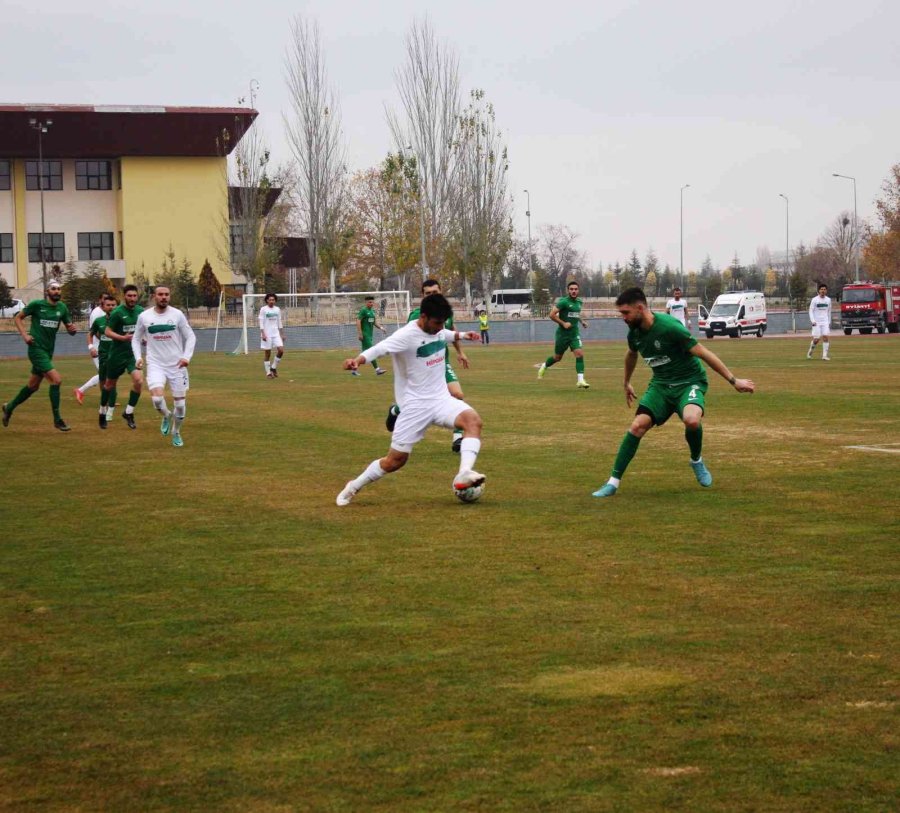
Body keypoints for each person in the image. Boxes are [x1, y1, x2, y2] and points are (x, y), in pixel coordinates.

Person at [593, 287, 755, 498]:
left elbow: (703, 352)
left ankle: (696, 460)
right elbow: (631, 355)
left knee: (692, 420)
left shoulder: (669, 327)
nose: (623, 318)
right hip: (661, 385)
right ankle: (612, 483)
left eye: (625, 313)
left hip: (689, 382)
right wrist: (626, 383)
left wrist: (734, 380)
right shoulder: (634, 333)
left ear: (640, 308)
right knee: (636, 426)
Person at [337, 293, 485, 506]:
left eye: (442, 323)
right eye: (436, 323)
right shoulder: (405, 335)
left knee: (473, 421)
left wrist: (463, 335)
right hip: (415, 406)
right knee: (395, 461)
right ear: (423, 317)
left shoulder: (437, 329)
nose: (439, 327)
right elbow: (380, 348)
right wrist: (357, 360)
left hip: (441, 399)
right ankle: (353, 486)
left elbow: (444, 334)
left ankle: (464, 473)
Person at [385, 278, 470, 453]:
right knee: (418, 401)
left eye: (435, 292)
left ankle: (458, 439)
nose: (432, 295)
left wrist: (460, 352)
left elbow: (451, 330)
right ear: (422, 296)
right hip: (421, 366)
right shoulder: (417, 316)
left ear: (441, 291)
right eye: (428, 293)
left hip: (441, 362)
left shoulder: (445, 311)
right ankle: (396, 410)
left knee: (457, 394)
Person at [1, 279, 77, 431]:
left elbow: (70, 328)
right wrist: (25, 336)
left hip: (48, 351)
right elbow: (17, 317)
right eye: (54, 289)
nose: (57, 291)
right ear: (47, 291)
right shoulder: (37, 305)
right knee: (56, 380)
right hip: (36, 349)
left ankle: (9, 407)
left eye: (59, 289)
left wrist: (72, 329)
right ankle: (57, 419)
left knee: (33, 386)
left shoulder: (62, 308)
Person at [131, 285, 197, 448]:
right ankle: (167, 415)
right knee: (157, 399)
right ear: (154, 296)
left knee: (180, 406)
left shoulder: (177, 315)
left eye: (167, 294)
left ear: (170, 296)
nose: (164, 297)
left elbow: (190, 337)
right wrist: (138, 357)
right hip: (155, 364)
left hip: (177, 365)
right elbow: (135, 338)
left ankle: (176, 431)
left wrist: (186, 357)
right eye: (160, 294)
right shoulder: (144, 316)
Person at [103, 284, 144, 429]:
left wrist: (143, 339)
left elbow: (142, 331)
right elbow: (107, 332)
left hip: (133, 354)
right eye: (129, 296)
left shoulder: (141, 311)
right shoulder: (118, 312)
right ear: (124, 296)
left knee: (139, 381)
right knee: (109, 385)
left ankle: (129, 412)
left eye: (134, 296)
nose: (132, 298)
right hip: (117, 354)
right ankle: (103, 412)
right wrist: (122, 338)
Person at [537, 280, 590, 388]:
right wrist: (563, 323)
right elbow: (551, 315)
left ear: (578, 290)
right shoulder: (563, 302)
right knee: (557, 358)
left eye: (575, 289)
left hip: (574, 334)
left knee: (579, 354)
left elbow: (575, 314)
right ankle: (544, 365)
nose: (574, 291)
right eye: (571, 289)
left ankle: (580, 380)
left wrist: (582, 321)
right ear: (568, 290)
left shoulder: (579, 302)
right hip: (562, 335)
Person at [87, 294, 117, 428]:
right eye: (108, 305)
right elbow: (92, 333)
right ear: (103, 307)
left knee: (113, 381)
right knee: (103, 381)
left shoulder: (120, 320)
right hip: (103, 354)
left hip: (117, 354)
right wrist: (91, 347)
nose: (111, 307)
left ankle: (110, 410)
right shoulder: (99, 320)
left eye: (113, 305)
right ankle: (104, 408)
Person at [73, 299, 107, 405]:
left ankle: (108, 399)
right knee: (104, 374)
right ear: (101, 300)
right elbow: (94, 331)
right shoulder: (97, 312)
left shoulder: (105, 312)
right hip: (98, 347)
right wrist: (93, 346)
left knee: (106, 373)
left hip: (104, 347)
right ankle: (80, 390)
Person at [352, 295, 387, 376]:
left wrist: (382, 328)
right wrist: (360, 333)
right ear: (366, 302)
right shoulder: (363, 310)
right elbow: (358, 321)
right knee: (372, 351)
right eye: (369, 302)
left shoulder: (372, 311)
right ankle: (377, 370)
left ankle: (354, 369)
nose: (371, 303)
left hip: (370, 335)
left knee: (364, 354)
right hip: (365, 335)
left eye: (372, 302)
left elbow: (374, 322)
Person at [259, 293, 285, 378]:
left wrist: (282, 334)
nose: (271, 301)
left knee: (281, 350)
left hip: (276, 334)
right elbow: (261, 322)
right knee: (268, 353)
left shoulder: (277, 309)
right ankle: (268, 373)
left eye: (273, 300)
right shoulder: (263, 309)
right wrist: (263, 334)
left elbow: (279, 322)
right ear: (267, 300)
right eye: (270, 299)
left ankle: (273, 368)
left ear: (275, 301)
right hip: (267, 334)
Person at [807, 284, 832, 361]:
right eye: (821, 289)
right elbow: (810, 311)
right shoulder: (814, 299)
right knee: (816, 339)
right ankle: (811, 350)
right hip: (816, 322)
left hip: (825, 322)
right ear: (819, 290)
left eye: (824, 289)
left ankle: (824, 356)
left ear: (826, 291)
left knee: (825, 337)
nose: (823, 291)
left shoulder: (828, 300)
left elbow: (829, 311)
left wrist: (829, 321)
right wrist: (813, 321)